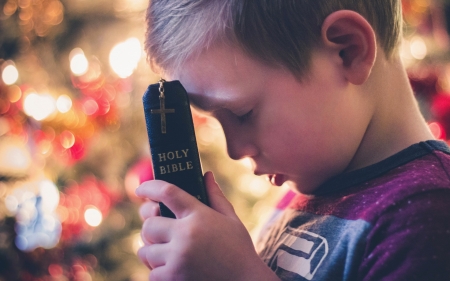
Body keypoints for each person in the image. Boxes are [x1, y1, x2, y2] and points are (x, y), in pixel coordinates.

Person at [135, 0, 450, 280]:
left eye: (243, 113)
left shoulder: (427, 215)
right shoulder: (305, 193)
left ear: (348, 50)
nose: (234, 150)